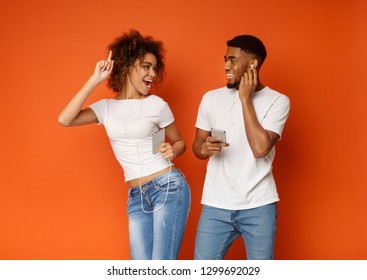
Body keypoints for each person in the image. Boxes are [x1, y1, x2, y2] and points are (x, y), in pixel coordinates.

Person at [58, 30, 191, 260]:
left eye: (155, 68)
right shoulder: (106, 108)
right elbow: (65, 119)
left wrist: (173, 149)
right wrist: (94, 80)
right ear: (128, 66)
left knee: (162, 268)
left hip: (167, 186)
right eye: (146, 66)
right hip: (135, 196)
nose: (152, 73)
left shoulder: (157, 105)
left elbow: (179, 142)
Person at [192, 35, 290, 260]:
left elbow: (260, 148)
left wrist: (245, 100)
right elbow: (197, 145)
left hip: (258, 205)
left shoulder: (278, 101)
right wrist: (204, 148)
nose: (226, 65)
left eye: (233, 60)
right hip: (215, 204)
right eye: (226, 59)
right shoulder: (211, 98)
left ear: (253, 64)